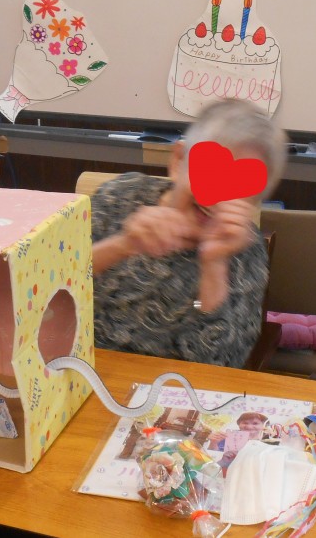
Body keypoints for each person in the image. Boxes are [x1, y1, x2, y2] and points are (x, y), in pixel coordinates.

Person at [91, 99, 286, 368]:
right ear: (178, 161)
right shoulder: (120, 198)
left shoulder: (245, 254)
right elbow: (52, 281)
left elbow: (221, 365)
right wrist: (123, 245)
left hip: (169, 385)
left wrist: (213, 266)